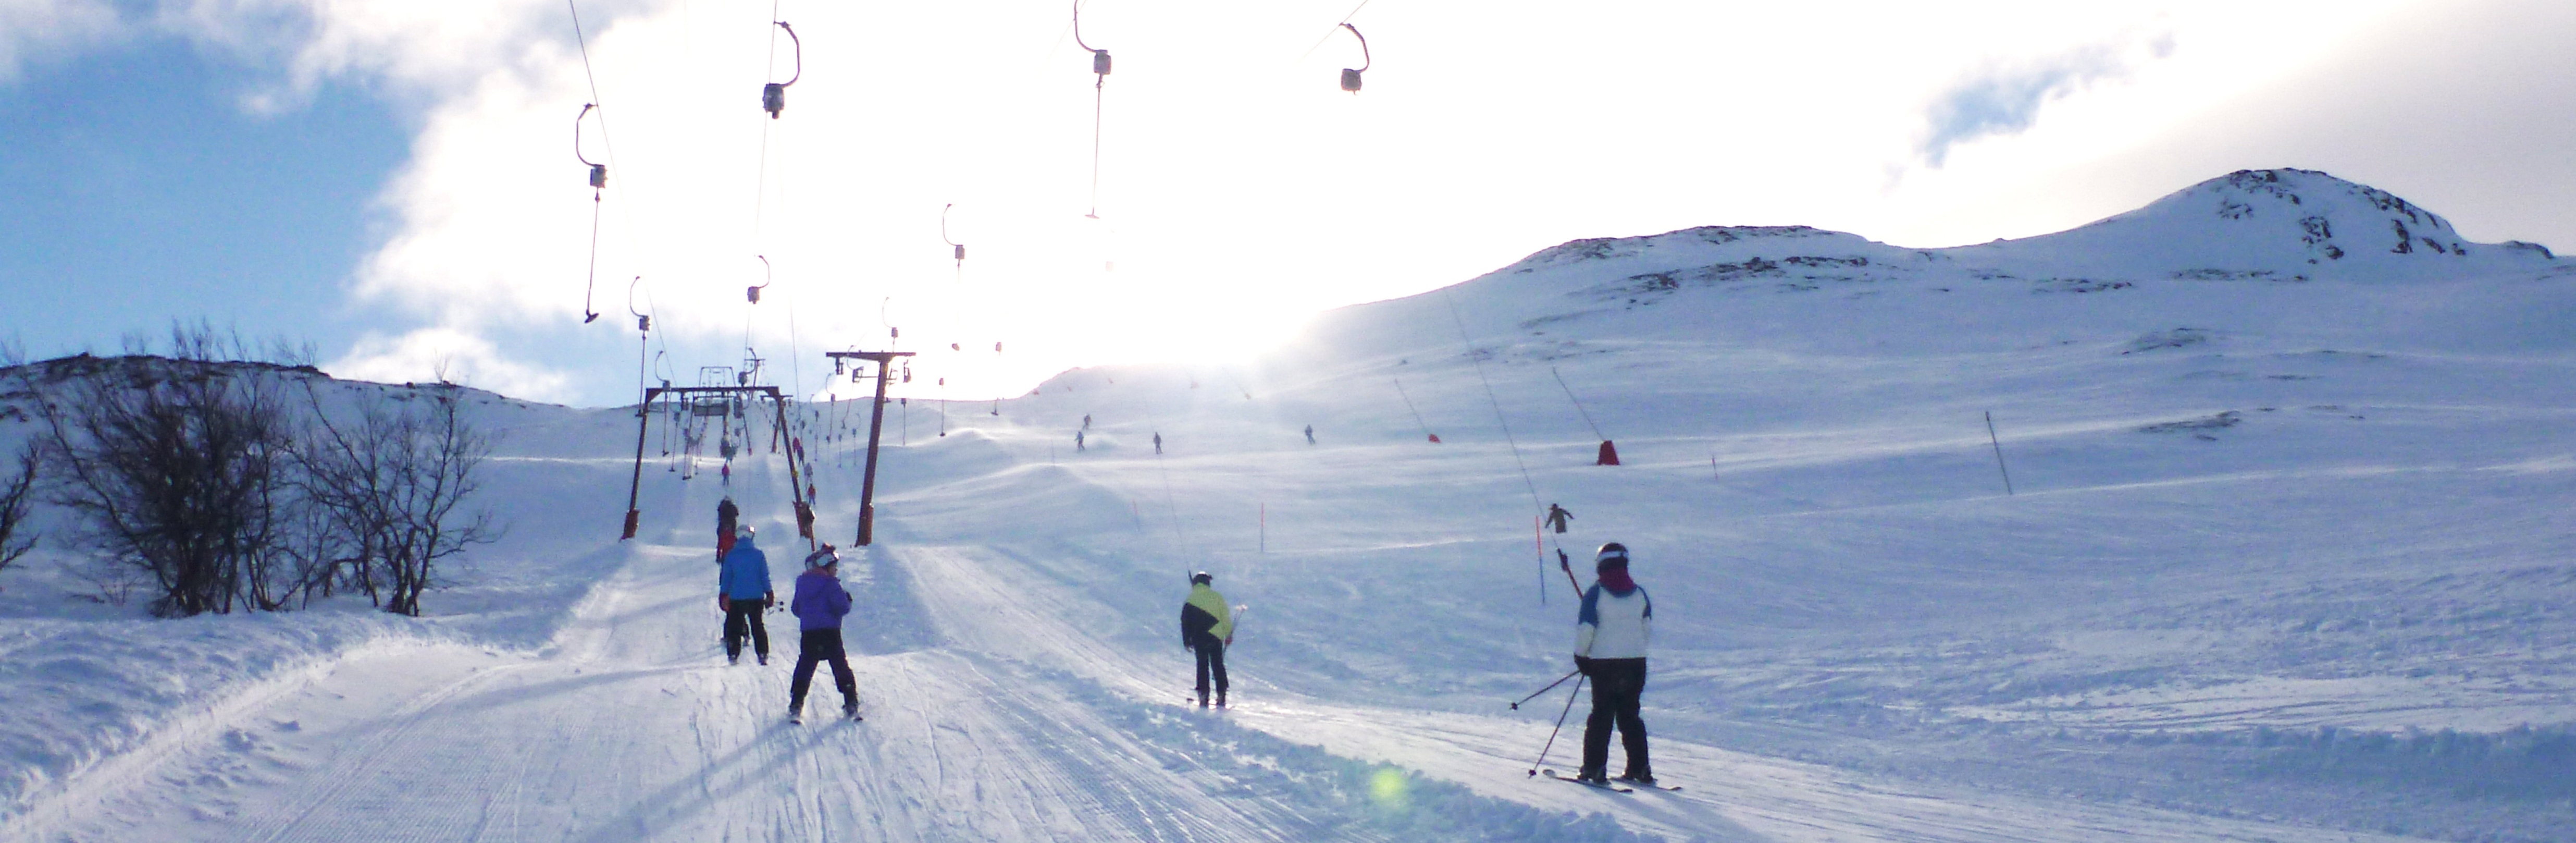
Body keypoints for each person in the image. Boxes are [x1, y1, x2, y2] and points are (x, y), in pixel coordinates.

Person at [1573, 542, 1652, 785]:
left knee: (1601, 717)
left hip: (1604, 666)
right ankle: (1640, 768)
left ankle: (1594, 768)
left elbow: (1586, 629)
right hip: (1636, 664)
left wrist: (1582, 657)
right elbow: (1646, 630)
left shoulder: (1596, 594)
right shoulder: (1640, 594)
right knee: (1630, 716)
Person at [788, 545, 861, 720]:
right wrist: (848, 600)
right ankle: (851, 701)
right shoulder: (831, 584)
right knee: (840, 665)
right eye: (834, 567)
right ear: (826, 567)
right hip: (830, 633)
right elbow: (842, 607)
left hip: (809, 634)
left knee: (805, 666)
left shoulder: (802, 583)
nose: (836, 571)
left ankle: (797, 702)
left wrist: (809, 615)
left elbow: (796, 609)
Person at [718, 524, 775, 665]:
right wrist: (769, 592)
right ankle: (762, 653)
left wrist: (724, 595)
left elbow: (727, 578)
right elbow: (764, 576)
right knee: (758, 625)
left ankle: (733, 654)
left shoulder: (731, 556)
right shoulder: (759, 555)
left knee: (734, 627)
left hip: (736, 598)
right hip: (756, 597)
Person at [1180, 571, 1233, 707]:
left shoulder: (1190, 599)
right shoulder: (1217, 597)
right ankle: (1222, 695)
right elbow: (1225, 617)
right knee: (1218, 664)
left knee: (1202, 665)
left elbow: (1185, 622)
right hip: (1216, 636)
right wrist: (1229, 634)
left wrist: (1187, 641)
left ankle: (1203, 695)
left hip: (1199, 637)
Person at [716, 496, 740, 564]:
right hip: (732, 525)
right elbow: (737, 514)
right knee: (732, 539)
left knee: (722, 541)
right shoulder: (732, 507)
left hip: (723, 526)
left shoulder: (721, 507)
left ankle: (722, 554)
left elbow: (719, 513)